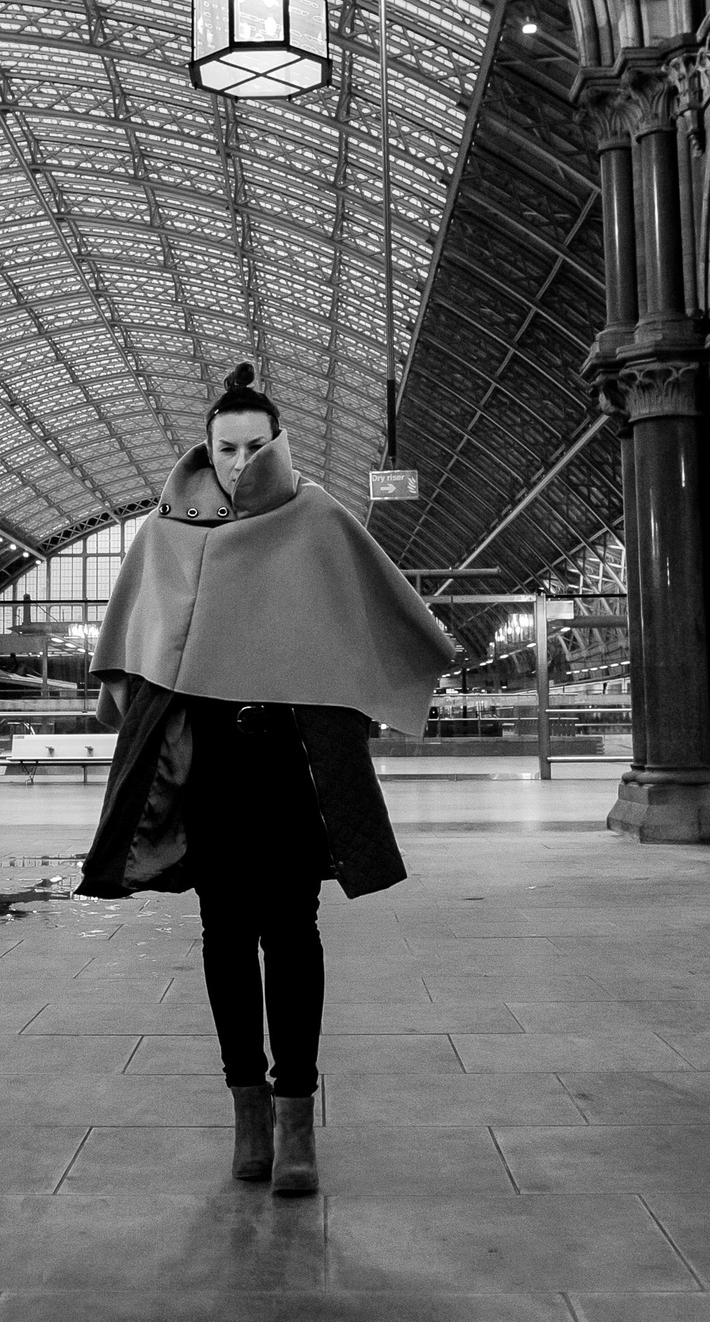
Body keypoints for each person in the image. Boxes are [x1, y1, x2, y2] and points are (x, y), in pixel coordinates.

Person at [79, 364, 456, 1196]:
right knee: (223, 934)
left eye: (256, 445)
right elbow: (133, 636)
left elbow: (379, 612)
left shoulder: (317, 518)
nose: (241, 460)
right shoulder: (164, 531)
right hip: (204, 764)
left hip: (291, 764)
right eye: (227, 446)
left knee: (290, 934)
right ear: (205, 449)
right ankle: (246, 1113)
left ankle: (295, 1122)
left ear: (277, 444)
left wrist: (387, 676)